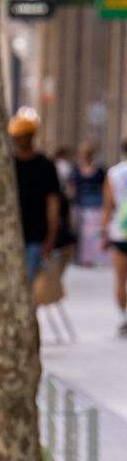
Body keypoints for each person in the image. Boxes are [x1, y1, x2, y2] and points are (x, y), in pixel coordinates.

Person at [10, 110, 62, 284]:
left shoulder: (45, 166)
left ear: (30, 136)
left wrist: (51, 236)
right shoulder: (8, 165)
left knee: (27, 283)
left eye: (22, 136)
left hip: (35, 235)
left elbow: (53, 202)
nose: (18, 140)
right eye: (15, 136)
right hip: (10, 232)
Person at [72, 139, 108, 268]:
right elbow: (73, 187)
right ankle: (84, 258)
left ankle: (96, 257)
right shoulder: (76, 170)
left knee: (95, 234)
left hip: (96, 205)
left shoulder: (99, 170)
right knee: (82, 234)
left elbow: (105, 188)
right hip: (81, 205)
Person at [104, 138, 127, 334]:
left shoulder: (114, 174)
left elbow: (108, 205)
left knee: (120, 279)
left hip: (120, 230)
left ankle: (124, 316)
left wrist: (104, 233)